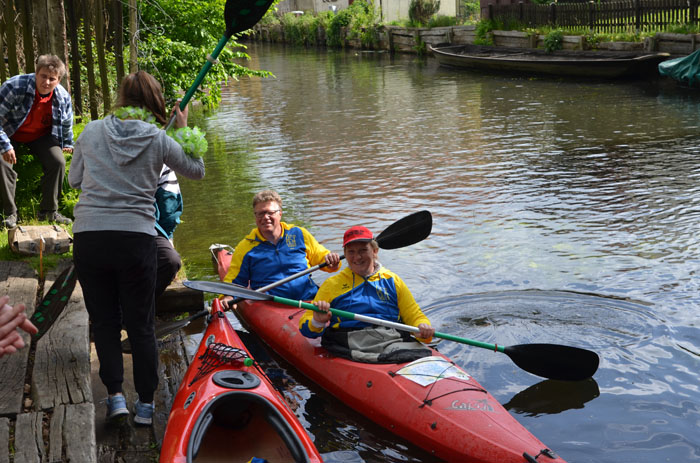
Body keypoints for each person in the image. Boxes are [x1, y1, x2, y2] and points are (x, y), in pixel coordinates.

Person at [69, 71, 205, 426]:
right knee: (141, 324)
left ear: (120, 97)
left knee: (105, 322)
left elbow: (74, 180)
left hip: (91, 236)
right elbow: (196, 170)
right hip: (136, 239)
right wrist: (184, 131)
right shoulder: (159, 138)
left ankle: (115, 398)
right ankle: (146, 405)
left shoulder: (92, 130)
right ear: (154, 100)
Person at [299, 225, 436, 364]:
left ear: (375, 251)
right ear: (345, 254)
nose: (357, 257)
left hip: (391, 338)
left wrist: (423, 328)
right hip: (351, 342)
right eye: (351, 252)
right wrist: (317, 321)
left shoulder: (393, 281)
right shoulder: (332, 285)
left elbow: (414, 315)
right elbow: (306, 329)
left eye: (363, 250)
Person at [222, 190, 341, 305]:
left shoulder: (299, 234)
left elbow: (323, 259)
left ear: (280, 213)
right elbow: (235, 282)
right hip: (271, 304)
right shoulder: (245, 247)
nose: (265, 217)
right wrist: (227, 297)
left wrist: (331, 260)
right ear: (255, 216)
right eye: (260, 213)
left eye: (270, 213)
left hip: (308, 298)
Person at [0, 54, 74, 229]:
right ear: (36, 73)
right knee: (2, 163)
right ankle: (9, 213)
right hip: (9, 132)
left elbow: (66, 122)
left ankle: (49, 211)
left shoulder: (62, 96)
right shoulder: (14, 86)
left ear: (58, 80)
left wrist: (68, 143)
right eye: (43, 76)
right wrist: (5, 145)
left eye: (52, 79)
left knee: (57, 162)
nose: (46, 82)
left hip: (41, 135)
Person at [154, 165, 183, 299]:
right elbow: (168, 209)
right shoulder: (160, 156)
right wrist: (168, 241)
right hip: (143, 227)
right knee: (170, 262)